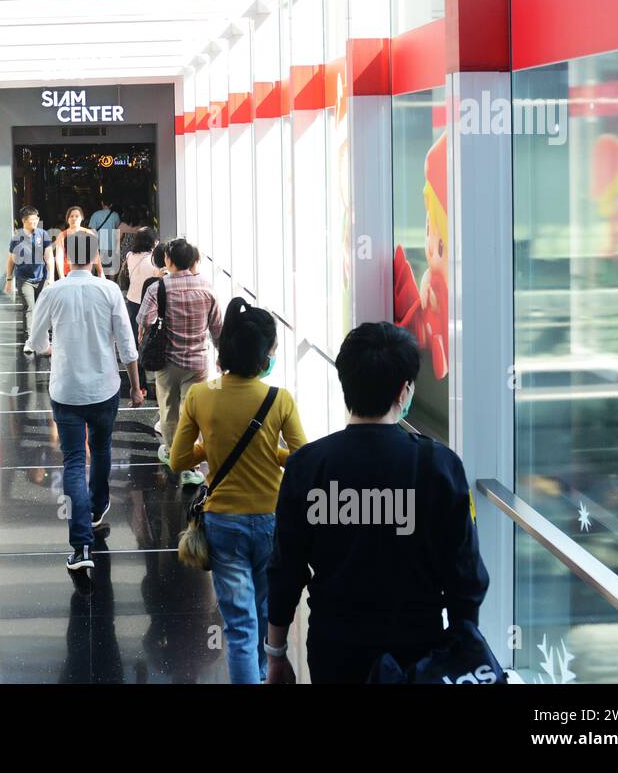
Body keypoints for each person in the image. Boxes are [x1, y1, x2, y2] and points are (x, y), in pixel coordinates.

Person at [264, 321, 489, 684]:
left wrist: (276, 656)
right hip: (419, 654)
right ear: (404, 390)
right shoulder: (439, 467)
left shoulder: (308, 466)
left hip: (334, 650)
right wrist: (465, 649)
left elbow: (285, 571)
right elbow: (467, 577)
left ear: (344, 385)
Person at [169, 298, 307, 683]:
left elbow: (178, 461)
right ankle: (265, 672)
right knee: (264, 614)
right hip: (270, 521)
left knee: (240, 626)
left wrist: (211, 446)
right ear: (264, 357)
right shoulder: (279, 399)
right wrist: (271, 451)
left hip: (222, 524)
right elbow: (302, 459)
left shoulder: (200, 395)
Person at [28, 229, 145, 581]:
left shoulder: (53, 291)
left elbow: (36, 341)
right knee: (102, 448)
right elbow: (127, 344)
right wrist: (137, 388)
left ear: (66, 258)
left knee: (75, 461)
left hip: (66, 390)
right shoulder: (109, 290)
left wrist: (54, 350)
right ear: (96, 257)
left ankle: (80, 547)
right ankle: (97, 508)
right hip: (104, 387)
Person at [137, 238, 222, 485]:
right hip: (197, 362)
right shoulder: (207, 288)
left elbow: (144, 319)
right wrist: (222, 357)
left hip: (167, 361)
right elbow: (217, 329)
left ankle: (175, 454)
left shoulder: (158, 288)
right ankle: (190, 466)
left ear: (168, 260)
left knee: (169, 410)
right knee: (191, 412)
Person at [4, 204, 54, 354]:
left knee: (43, 308)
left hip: (41, 278)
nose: (34, 223)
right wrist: (8, 280)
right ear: (24, 221)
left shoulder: (43, 234)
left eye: (36, 220)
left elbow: (49, 256)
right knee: (30, 308)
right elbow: (11, 260)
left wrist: (51, 276)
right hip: (24, 278)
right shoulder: (17, 237)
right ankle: (30, 340)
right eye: (30, 220)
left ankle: (43, 339)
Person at [123, 228, 161, 389]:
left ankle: (140, 383)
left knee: (134, 342)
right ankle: (149, 380)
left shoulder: (129, 256)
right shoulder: (153, 259)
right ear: (152, 241)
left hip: (131, 301)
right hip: (148, 303)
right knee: (147, 341)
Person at [54, 205, 104, 279]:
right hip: (68, 274)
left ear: (82, 218)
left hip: (86, 272)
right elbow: (59, 257)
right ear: (67, 219)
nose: (74, 218)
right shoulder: (62, 235)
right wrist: (61, 276)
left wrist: (101, 272)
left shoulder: (88, 233)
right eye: (71, 216)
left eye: (77, 216)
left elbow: (95, 254)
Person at [88, 197, 122, 276]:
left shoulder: (95, 214)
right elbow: (117, 228)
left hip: (98, 244)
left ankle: (98, 284)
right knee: (111, 268)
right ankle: (112, 284)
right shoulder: (115, 215)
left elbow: (91, 231)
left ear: (102, 203)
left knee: (99, 268)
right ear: (111, 205)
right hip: (111, 244)